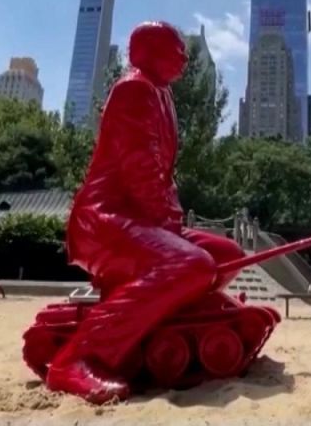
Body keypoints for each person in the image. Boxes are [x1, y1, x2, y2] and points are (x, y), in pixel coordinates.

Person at [43, 21, 245, 404]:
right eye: (176, 50)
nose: (184, 58)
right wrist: (170, 228)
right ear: (148, 52)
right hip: (106, 219)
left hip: (144, 219)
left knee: (227, 256)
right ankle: (78, 358)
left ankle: (160, 323)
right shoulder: (135, 89)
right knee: (192, 265)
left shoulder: (162, 93)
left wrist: (171, 224)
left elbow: (161, 177)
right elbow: (139, 169)